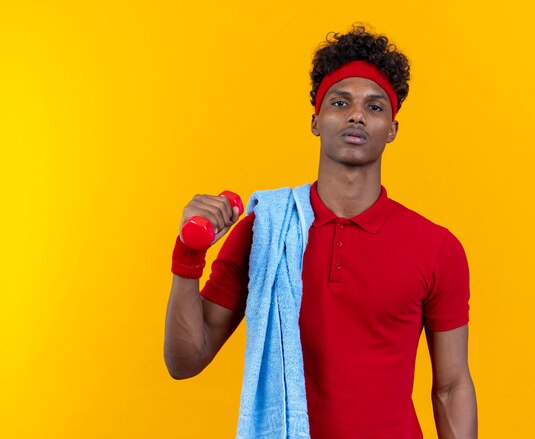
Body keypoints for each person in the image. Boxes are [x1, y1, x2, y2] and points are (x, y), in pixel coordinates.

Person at [164, 25, 478, 439]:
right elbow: (185, 361)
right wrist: (188, 255)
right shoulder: (266, 233)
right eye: (340, 101)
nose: (356, 115)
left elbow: (452, 386)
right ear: (316, 121)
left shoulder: (437, 248)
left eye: (375, 107)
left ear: (392, 130)